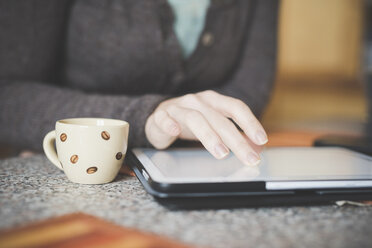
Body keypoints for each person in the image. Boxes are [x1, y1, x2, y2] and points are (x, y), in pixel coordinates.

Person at [0, 0, 278, 166]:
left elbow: (247, 93)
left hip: (195, 168)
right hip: (70, 168)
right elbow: (8, 97)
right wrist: (147, 119)